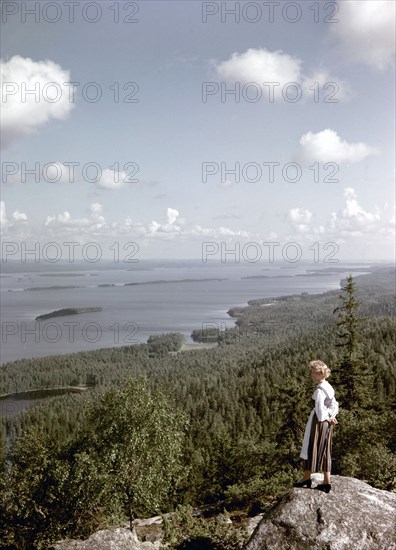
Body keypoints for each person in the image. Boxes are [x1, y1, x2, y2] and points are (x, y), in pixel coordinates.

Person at [294, 360, 339, 493]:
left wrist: (325, 417)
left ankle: (306, 478)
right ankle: (326, 481)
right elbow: (334, 405)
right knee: (325, 450)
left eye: (313, 372)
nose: (311, 375)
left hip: (319, 423)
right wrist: (331, 416)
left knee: (311, 448)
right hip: (327, 422)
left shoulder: (320, 390)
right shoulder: (328, 386)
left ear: (320, 373)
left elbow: (319, 412)